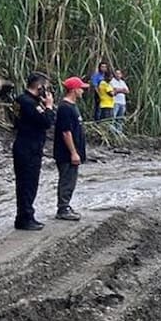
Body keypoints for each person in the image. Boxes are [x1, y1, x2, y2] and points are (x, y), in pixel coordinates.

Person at [12, 72, 56, 231]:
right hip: (28, 147)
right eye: (46, 87)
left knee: (26, 183)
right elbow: (46, 122)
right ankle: (25, 218)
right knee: (28, 184)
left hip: (26, 144)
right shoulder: (28, 102)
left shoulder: (23, 99)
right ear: (40, 87)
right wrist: (49, 106)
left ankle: (24, 216)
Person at [54, 76, 88, 221]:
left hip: (73, 151)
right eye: (81, 88)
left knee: (71, 179)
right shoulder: (65, 108)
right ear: (74, 90)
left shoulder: (72, 106)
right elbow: (66, 132)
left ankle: (65, 205)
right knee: (67, 180)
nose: (83, 91)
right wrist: (73, 153)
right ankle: (63, 208)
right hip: (66, 153)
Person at [109, 68, 129, 134]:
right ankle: (113, 132)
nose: (118, 75)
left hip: (122, 103)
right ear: (114, 74)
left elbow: (127, 91)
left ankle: (119, 132)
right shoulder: (112, 81)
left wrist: (118, 90)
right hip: (115, 102)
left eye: (119, 73)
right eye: (116, 73)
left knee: (120, 118)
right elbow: (114, 90)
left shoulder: (122, 82)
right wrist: (122, 90)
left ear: (121, 75)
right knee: (113, 118)